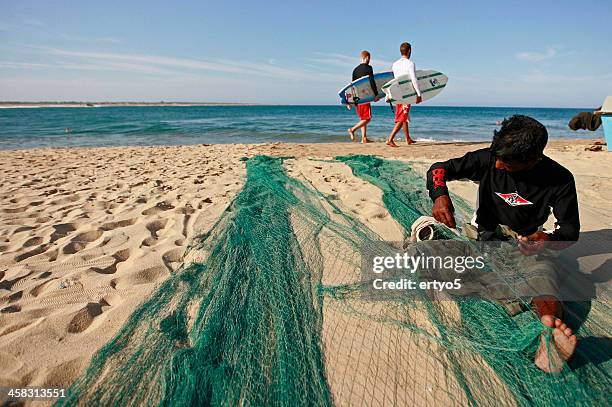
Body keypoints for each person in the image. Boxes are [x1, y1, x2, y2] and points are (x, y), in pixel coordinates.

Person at [426, 115, 579, 372]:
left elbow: (570, 230)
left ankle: (548, 330)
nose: (497, 165)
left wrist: (547, 240)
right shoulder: (488, 159)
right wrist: (439, 196)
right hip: (483, 237)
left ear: (532, 160)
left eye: (507, 162)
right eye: (497, 156)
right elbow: (439, 169)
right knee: (424, 256)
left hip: (526, 244)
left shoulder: (560, 179)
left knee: (543, 276)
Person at [387, 42, 422, 147]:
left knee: (404, 115)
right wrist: (418, 94)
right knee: (402, 117)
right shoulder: (410, 63)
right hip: (407, 94)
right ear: (410, 51)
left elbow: (394, 80)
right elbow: (413, 79)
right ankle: (390, 139)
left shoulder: (395, 64)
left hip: (397, 93)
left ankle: (408, 139)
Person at [348, 51, 379, 144]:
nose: (369, 60)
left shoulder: (355, 70)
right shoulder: (369, 68)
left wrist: (350, 101)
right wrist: (376, 94)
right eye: (369, 58)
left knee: (363, 118)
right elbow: (372, 82)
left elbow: (352, 86)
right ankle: (352, 129)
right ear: (367, 57)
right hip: (365, 96)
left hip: (357, 98)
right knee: (368, 118)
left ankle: (364, 138)